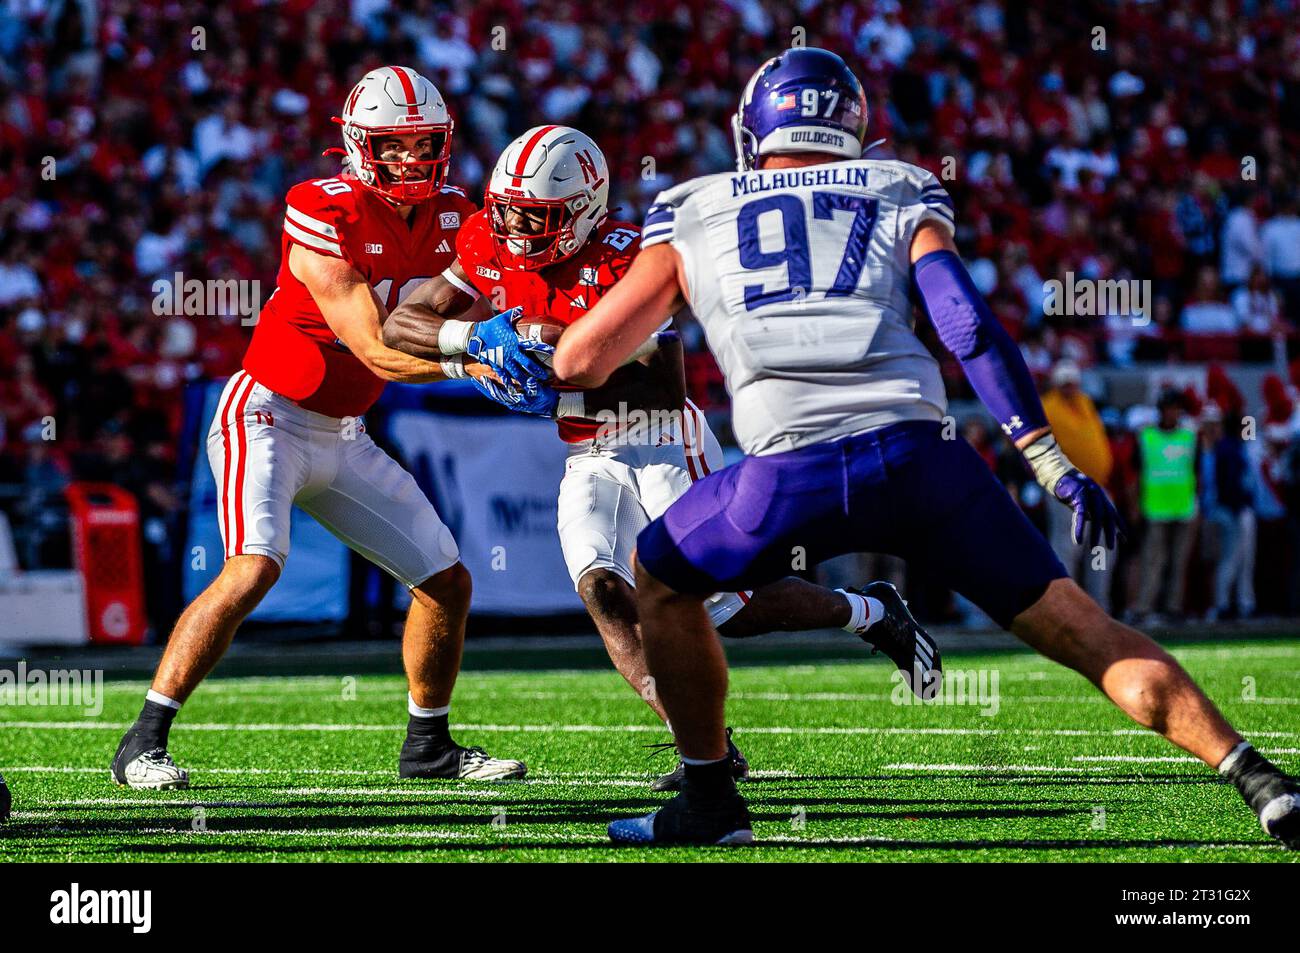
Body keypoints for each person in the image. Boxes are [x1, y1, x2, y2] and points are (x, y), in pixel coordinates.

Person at [552, 48, 1299, 848]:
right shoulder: (899, 186)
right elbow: (968, 324)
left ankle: (709, 798)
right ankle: (1260, 778)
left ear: (752, 132)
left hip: (786, 474)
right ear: (851, 129)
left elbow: (581, 360)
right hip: (923, 460)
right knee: (1088, 632)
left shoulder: (693, 207)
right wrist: (1046, 456)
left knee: (661, 576)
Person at [382, 125, 940, 792]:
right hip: (585, 453)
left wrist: (552, 379)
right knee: (604, 590)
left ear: (584, 209)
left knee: (726, 609)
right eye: (506, 211)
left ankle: (871, 612)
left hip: (662, 437)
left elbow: (662, 378)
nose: (515, 228)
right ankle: (706, 749)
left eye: (535, 215)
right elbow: (399, 324)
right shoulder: (486, 238)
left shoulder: (623, 256)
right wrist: (472, 337)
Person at [110, 67, 534, 790]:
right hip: (267, 412)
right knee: (255, 565)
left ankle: (427, 746)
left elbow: (494, 308)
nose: (412, 160)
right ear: (359, 146)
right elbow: (375, 349)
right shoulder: (320, 207)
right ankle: (141, 742)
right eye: (395, 146)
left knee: (447, 579)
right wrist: (472, 364)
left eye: (424, 143)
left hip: (345, 431)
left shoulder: (456, 216)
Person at [1039, 360, 1113, 610]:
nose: (1071, 388)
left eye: (1074, 383)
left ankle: (1098, 607)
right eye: (1066, 383)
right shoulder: (1047, 406)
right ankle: (1065, 607)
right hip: (1066, 486)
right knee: (1067, 548)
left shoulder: (1085, 402)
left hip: (1096, 486)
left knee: (1101, 548)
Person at [1131, 391, 1198, 622]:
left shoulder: (1189, 437)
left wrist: (1197, 505)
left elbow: (1196, 473)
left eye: (1177, 408)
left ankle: (1173, 607)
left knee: (1179, 561)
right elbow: (1136, 474)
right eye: (1170, 408)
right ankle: (1145, 606)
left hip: (1183, 506)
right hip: (1155, 507)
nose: (1173, 413)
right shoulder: (1147, 437)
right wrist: (1135, 504)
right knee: (1153, 560)